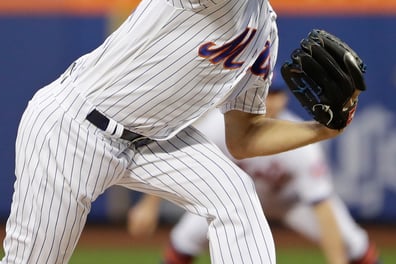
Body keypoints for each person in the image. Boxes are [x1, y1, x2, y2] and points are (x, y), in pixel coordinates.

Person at [0, 0, 354, 264]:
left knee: (235, 196)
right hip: (76, 126)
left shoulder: (266, 30)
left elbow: (243, 137)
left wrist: (322, 131)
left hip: (155, 142)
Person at [127, 73, 382, 264]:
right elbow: (178, 155)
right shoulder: (220, 124)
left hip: (290, 202)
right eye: (267, 92)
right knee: (184, 238)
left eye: (277, 94)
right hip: (233, 199)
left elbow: (323, 206)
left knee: (352, 241)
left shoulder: (300, 140)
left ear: (286, 98)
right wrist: (148, 205)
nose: (271, 101)